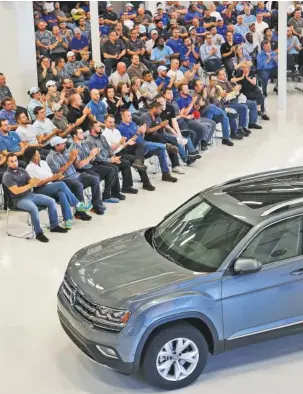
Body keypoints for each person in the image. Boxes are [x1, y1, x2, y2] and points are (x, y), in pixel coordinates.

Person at [3, 153, 68, 243]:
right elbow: (16, 191)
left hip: (30, 195)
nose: (15, 163)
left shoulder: (22, 170)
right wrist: (30, 185)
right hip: (18, 200)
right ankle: (38, 233)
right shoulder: (7, 176)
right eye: (12, 161)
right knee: (33, 208)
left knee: (51, 201)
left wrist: (35, 181)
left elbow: (31, 181)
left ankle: (54, 226)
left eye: (16, 160)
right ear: (7, 163)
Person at [25, 147, 92, 228]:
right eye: (36, 155)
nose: (39, 156)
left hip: (50, 185)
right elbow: (36, 184)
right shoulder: (29, 168)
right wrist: (52, 178)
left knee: (62, 194)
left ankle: (67, 219)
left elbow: (50, 175)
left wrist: (56, 177)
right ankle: (77, 204)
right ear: (31, 158)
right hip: (39, 190)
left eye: (38, 154)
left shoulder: (43, 163)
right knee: (61, 184)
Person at [47, 136, 104, 216]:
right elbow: (58, 173)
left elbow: (76, 163)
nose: (65, 144)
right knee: (78, 185)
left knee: (94, 179)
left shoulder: (66, 151)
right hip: (66, 179)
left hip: (76, 175)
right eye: (62, 143)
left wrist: (76, 159)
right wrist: (70, 161)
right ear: (56, 146)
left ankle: (96, 205)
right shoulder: (51, 157)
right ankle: (80, 213)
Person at [119, 109, 178, 181]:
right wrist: (138, 132)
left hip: (144, 146)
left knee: (160, 150)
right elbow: (130, 143)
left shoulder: (132, 123)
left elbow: (141, 138)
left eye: (130, 115)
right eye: (128, 116)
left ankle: (165, 174)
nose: (130, 117)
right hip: (135, 150)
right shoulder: (121, 128)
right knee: (146, 144)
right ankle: (166, 146)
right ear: (122, 117)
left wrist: (143, 132)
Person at [69, 127, 124, 203]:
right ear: (75, 136)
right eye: (80, 133)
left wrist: (95, 154)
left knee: (111, 170)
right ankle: (96, 202)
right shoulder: (73, 148)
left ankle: (106, 196)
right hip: (83, 170)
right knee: (96, 177)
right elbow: (79, 166)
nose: (83, 134)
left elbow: (91, 159)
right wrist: (91, 156)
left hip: (91, 165)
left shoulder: (84, 143)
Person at [86, 121, 140, 194]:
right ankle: (115, 192)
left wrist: (113, 157)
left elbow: (108, 149)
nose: (100, 128)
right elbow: (97, 157)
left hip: (109, 158)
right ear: (92, 130)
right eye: (98, 127)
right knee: (114, 168)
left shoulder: (102, 137)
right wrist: (110, 160)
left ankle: (126, 187)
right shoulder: (89, 141)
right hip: (100, 162)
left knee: (125, 163)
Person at [140, 101, 181, 179]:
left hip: (157, 139)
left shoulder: (158, 117)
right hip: (147, 140)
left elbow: (160, 132)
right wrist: (160, 126)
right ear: (154, 108)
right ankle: (177, 141)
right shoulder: (145, 116)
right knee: (166, 140)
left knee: (164, 146)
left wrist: (163, 126)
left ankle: (166, 173)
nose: (161, 111)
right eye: (160, 109)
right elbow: (147, 131)